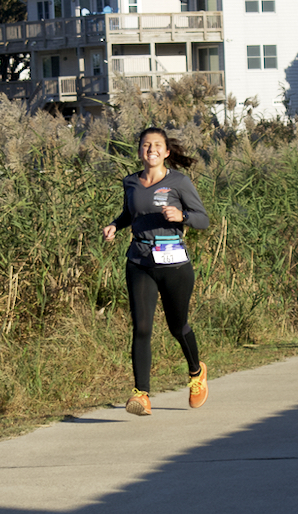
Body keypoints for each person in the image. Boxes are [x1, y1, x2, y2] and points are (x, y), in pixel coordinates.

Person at [102, 127, 210, 416]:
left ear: (166, 152)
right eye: (146, 144)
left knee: (178, 326)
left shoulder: (179, 182)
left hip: (174, 263)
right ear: (139, 151)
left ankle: (196, 373)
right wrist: (116, 225)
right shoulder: (130, 182)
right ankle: (141, 395)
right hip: (140, 261)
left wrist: (182, 216)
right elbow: (130, 213)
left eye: (157, 145)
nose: (151, 149)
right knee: (142, 327)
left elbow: (203, 219)